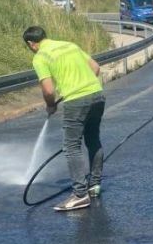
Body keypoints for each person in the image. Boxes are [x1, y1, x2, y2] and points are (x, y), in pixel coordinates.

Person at [23, 26, 106, 212]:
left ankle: (79, 195)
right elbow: (96, 67)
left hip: (76, 101)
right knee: (93, 140)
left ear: (31, 44)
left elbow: (48, 90)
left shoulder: (40, 57)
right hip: (97, 94)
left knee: (71, 146)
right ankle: (94, 186)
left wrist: (51, 104)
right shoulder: (69, 45)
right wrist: (84, 86)